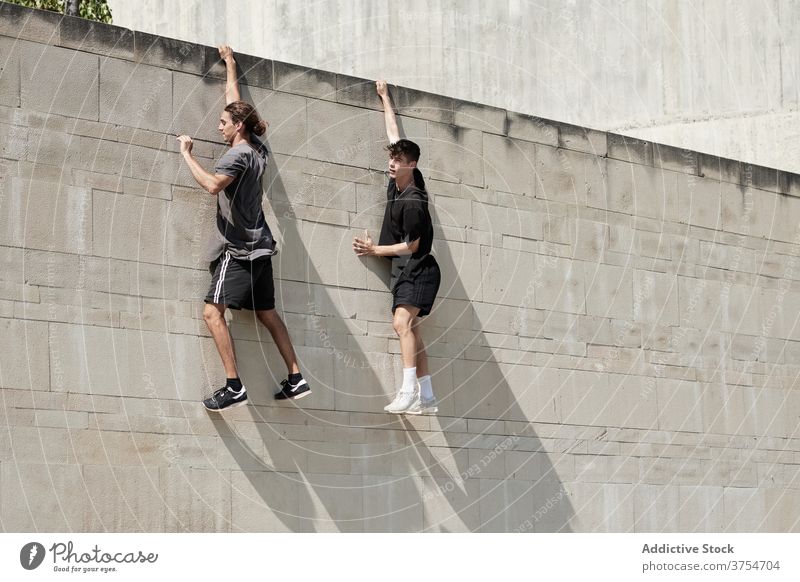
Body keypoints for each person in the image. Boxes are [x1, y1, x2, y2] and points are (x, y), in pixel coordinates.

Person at [176, 45, 310, 411]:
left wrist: (187, 154)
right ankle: (296, 377)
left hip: (240, 252)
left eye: (223, 123)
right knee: (266, 313)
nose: (217, 126)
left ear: (238, 127)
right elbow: (236, 104)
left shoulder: (236, 155)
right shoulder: (258, 149)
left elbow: (212, 185)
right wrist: (231, 65)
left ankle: (234, 386)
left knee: (210, 311)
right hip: (262, 245)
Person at [352, 79, 441, 415]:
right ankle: (427, 398)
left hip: (419, 268)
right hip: (408, 270)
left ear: (412, 165)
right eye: (392, 159)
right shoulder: (400, 179)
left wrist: (374, 251)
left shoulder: (414, 200)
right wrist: (386, 99)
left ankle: (407, 391)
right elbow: (394, 136)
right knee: (413, 330)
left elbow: (412, 244)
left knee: (401, 324)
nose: (392, 163)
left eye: (399, 160)